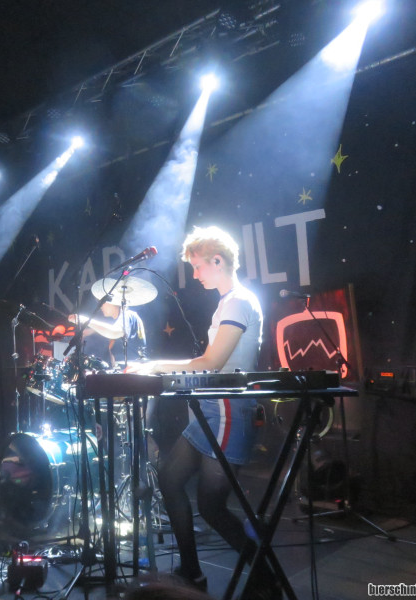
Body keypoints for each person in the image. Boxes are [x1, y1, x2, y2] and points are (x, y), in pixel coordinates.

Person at [128, 226, 275, 597]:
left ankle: (266, 579)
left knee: (211, 507)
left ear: (218, 261)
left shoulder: (239, 301)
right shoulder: (228, 302)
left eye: (197, 266)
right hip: (211, 410)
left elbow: (212, 363)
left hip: (228, 413)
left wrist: (155, 365)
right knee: (169, 479)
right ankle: (191, 572)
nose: (194, 275)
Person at [68, 300, 147, 368]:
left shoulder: (127, 315)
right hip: (127, 369)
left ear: (113, 302)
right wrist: (92, 331)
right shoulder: (123, 319)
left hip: (134, 370)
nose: (101, 306)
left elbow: (114, 332)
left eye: (103, 303)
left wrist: (83, 319)